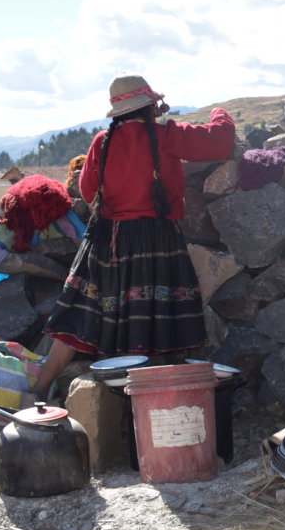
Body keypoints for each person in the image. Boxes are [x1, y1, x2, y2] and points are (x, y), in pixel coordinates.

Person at [36, 73, 236, 395]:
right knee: (153, 319)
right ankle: (151, 402)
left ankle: (40, 386)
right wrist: (220, 113)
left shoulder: (103, 141)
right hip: (158, 241)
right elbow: (221, 140)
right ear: (150, 107)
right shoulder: (167, 136)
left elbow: (88, 192)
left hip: (106, 241)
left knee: (79, 311)